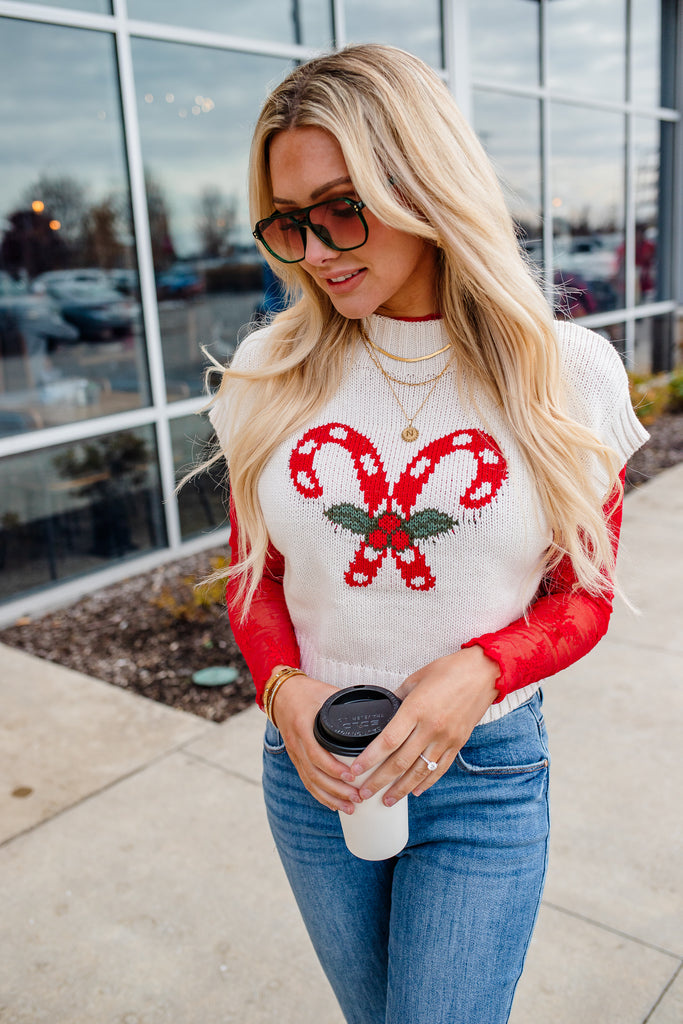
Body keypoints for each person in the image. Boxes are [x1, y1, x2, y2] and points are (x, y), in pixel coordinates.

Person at [207, 44, 649, 1024]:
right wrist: (281, 690)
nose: (315, 250)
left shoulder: (562, 373)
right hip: (314, 772)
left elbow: (584, 595)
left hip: (482, 776)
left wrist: (482, 670)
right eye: (287, 224)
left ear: (423, 181)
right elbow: (252, 578)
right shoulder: (265, 371)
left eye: (341, 207)